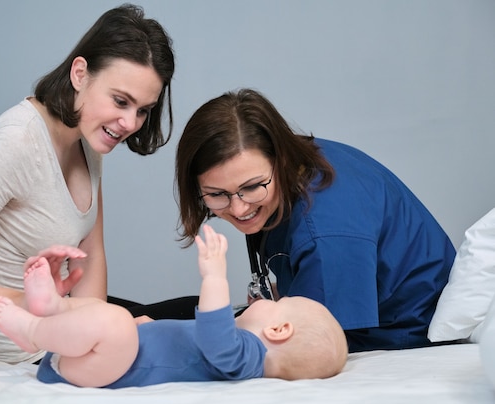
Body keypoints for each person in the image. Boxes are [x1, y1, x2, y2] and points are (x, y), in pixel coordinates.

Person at [0, 4, 177, 364]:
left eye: (143, 110)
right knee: (182, 328)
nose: (129, 122)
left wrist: (95, 327)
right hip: (14, 348)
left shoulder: (89, 139)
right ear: (80, 73)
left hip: (62, 328)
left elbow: (91, 256)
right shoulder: (15, 142)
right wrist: (22, 302)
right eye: (121, 101)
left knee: (195, 315)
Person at [175, 88, 456, 353]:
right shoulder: (297, 158)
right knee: (174, 315)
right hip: (349, 304)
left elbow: (312, 342)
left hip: (394, 335)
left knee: (187, 334)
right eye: (217, 194)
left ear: (281, 160)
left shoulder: (328, 235)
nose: (237, 209)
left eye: (252, 187)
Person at [0, 224, 348, 388]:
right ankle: (53, 308)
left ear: (279, 330)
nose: (271, 298)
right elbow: (188, 344)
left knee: (114, 321)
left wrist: (214, 278)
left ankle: (34, 332)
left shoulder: (247, 359)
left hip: (108, 370)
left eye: (279, 302)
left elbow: (215, 338)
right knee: (110, 318)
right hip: (103, 361)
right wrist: (149, 333)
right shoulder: (242, 351)